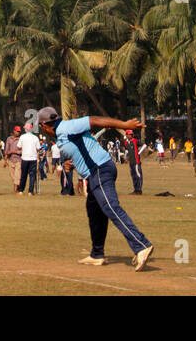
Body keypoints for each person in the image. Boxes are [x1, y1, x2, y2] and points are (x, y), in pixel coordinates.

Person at [38, 106, 154, 270]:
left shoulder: (66, 127)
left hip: (99, 170)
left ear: (44, 126)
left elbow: (94, 120)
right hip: (94, 174)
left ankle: (141, 245)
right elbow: (79, 149)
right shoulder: (61, 134)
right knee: (94, 212)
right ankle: (97, 254)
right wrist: (69, 163)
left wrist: (125, 125)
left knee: (110, 208)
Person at [123, 129, 144, 195]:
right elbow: (127, 150)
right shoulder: (126, 142)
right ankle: (135, 190)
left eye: (131, 134)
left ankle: (139, 190)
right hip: (131, 162)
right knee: (133, 176)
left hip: (136, 162)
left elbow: (144, 145)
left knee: (138, 176)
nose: (131, 135)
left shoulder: (135, 141)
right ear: (126, 135)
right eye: (129, 134)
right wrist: (125, 157)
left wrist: (139, 152)